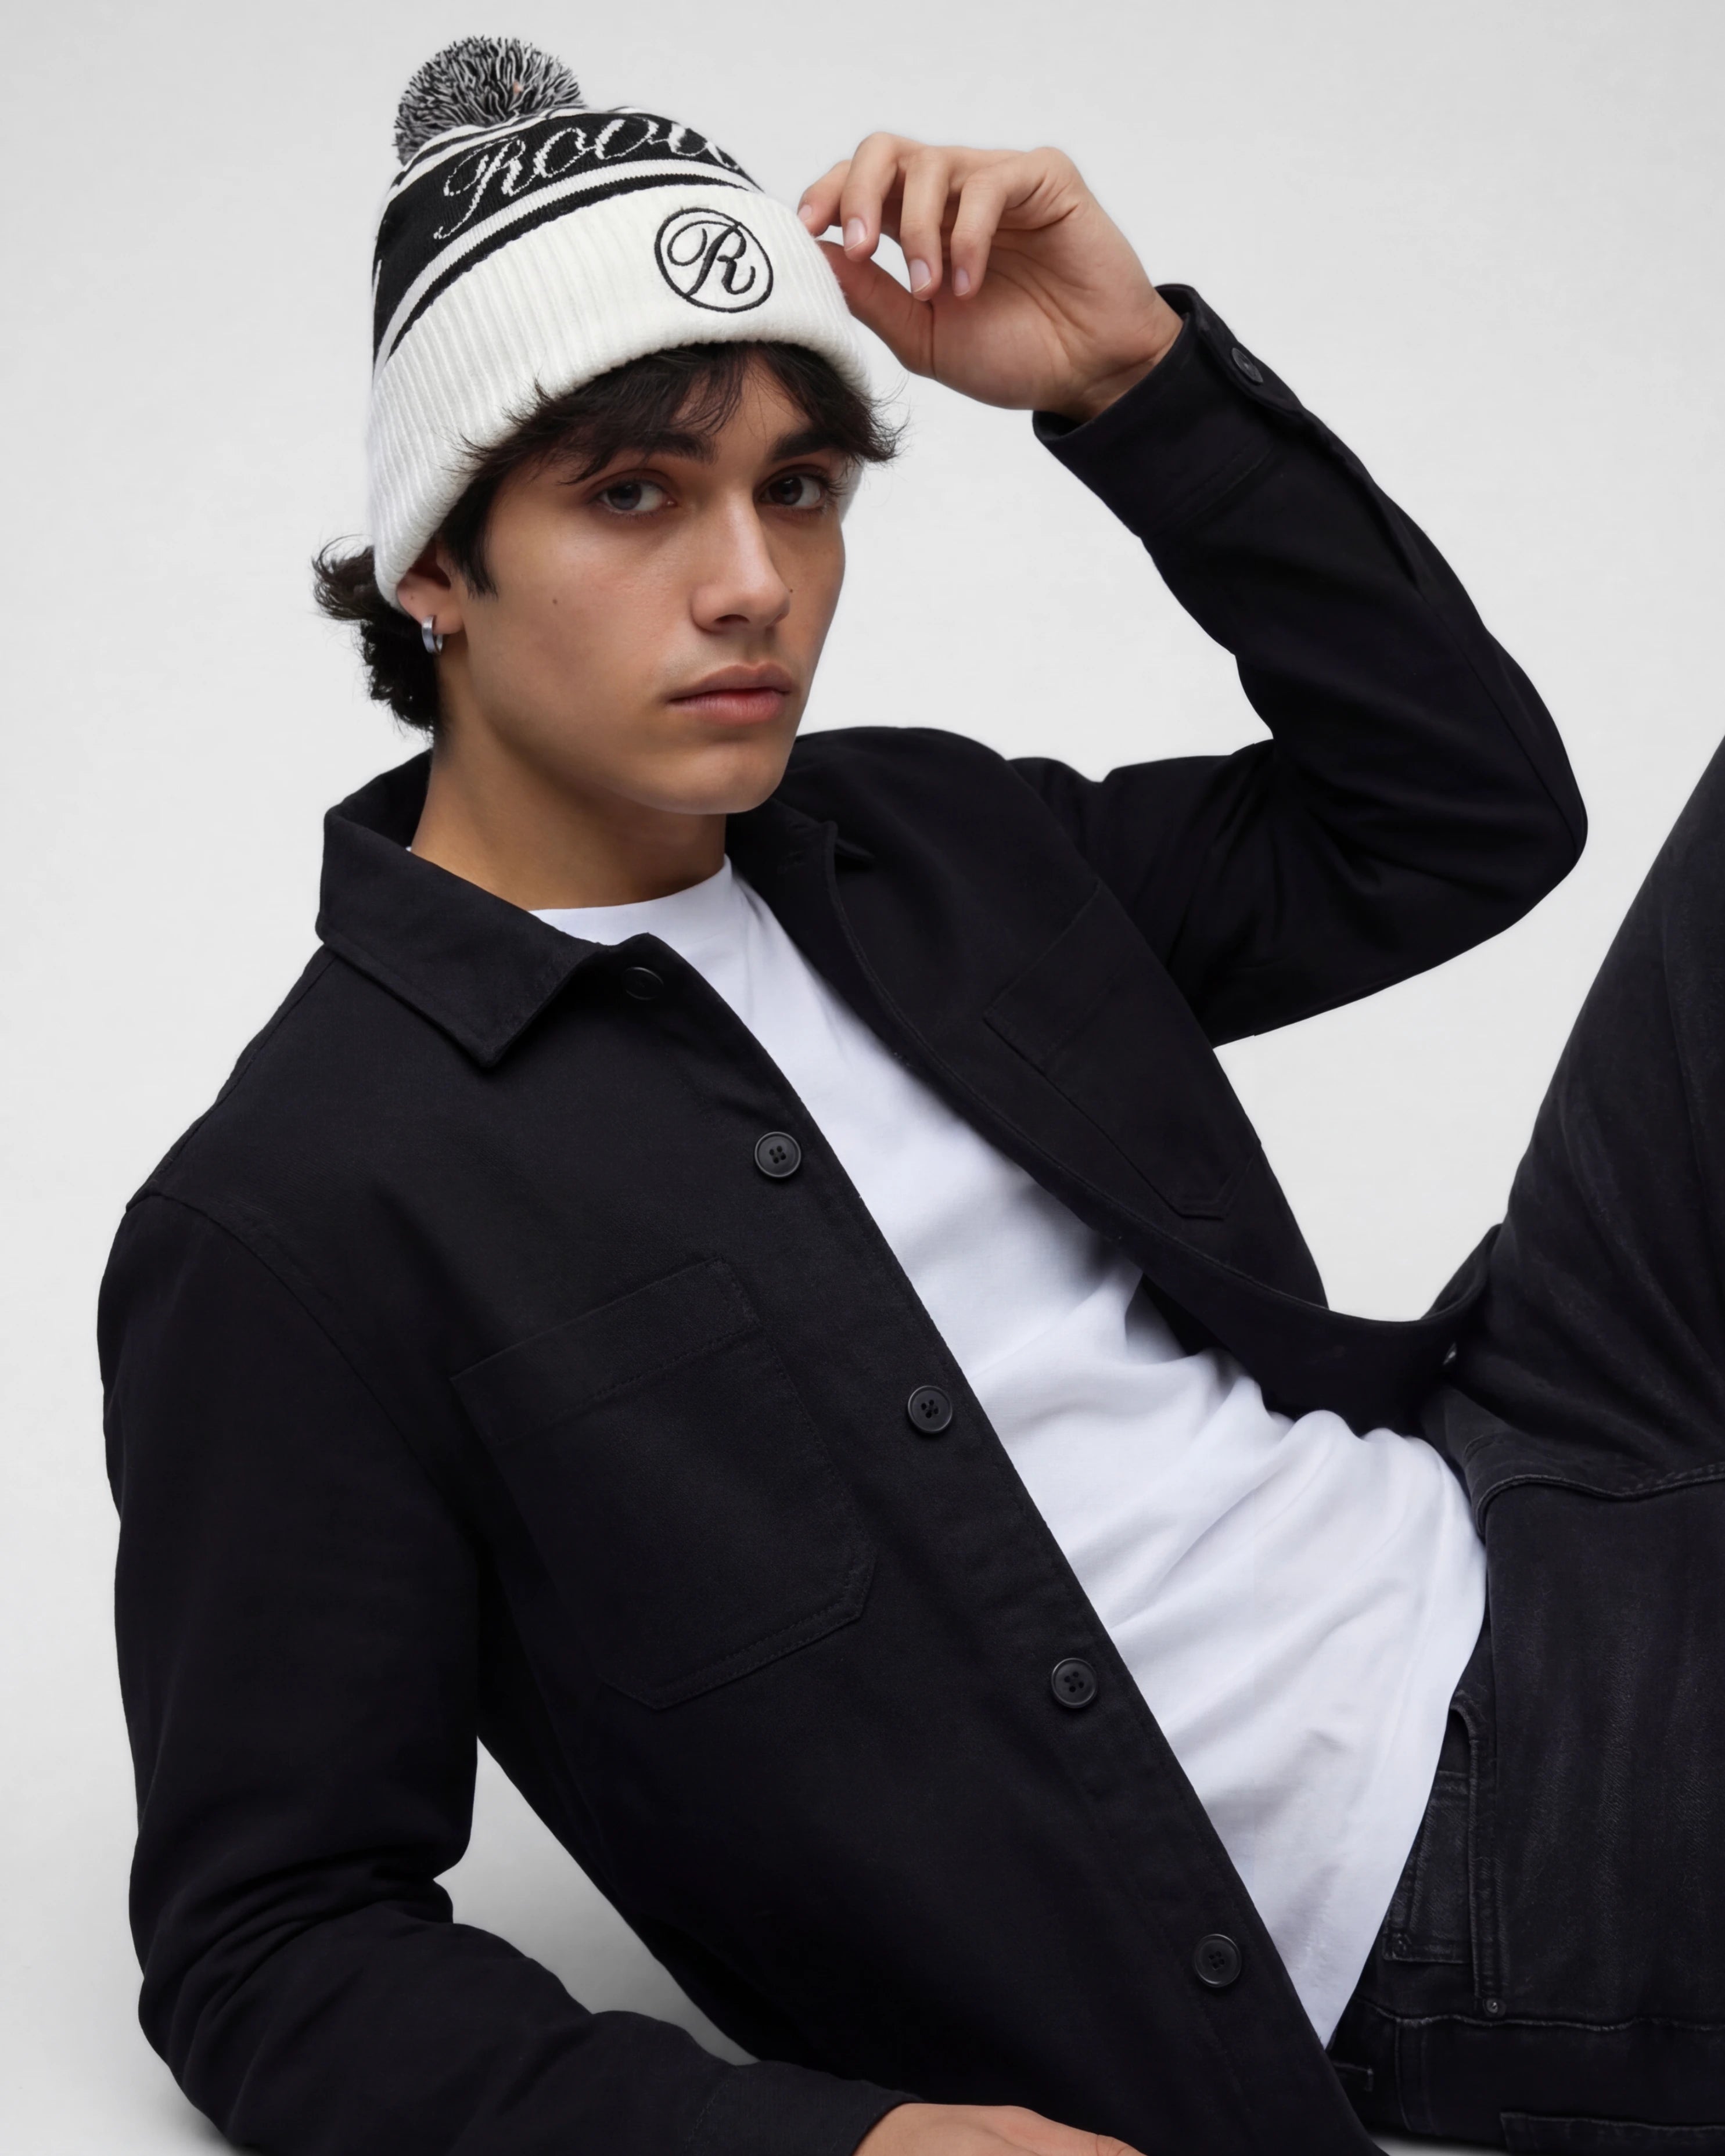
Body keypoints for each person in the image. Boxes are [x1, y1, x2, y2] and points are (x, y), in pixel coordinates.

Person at [98, 34, 1724, 2155]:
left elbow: (1462, 818)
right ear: (435, 566)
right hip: (1460, 1856)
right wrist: (837, 2147)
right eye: (632, 494)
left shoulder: (916, 839)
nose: (751, 581)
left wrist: (1131, 383)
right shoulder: (298, 1210)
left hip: (1522, 1453)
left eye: (794, 486)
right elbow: (272, 1944)